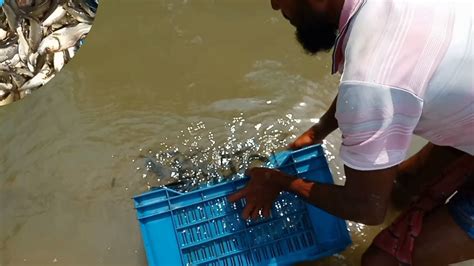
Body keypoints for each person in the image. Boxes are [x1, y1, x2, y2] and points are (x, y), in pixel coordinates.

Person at [228, 0, 474, 265]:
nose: (275, 6)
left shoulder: (371, 78)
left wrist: (277, 181)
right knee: (402, 186)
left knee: (380, 261)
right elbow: (376, 85)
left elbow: (367, 208)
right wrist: (318, 131)